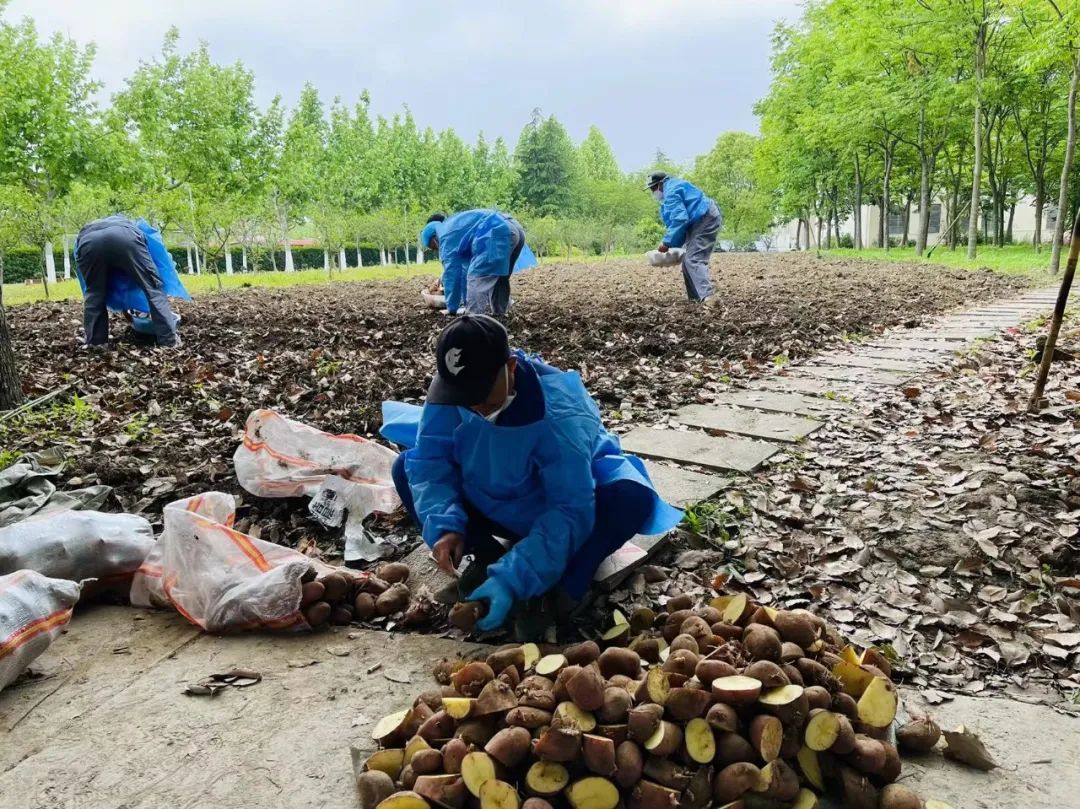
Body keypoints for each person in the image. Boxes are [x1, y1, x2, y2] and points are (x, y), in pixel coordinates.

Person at [381, 315, 684, 636]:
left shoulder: (558, 416)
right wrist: (446, 527)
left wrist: (514, 577)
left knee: (631, 498)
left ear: (510, 367)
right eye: (463, 398)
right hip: (492, 500)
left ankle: (564, 588)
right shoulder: (452, 391)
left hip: (559, 506)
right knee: (405, 468)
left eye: (482, 395)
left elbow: (570, 509)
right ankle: (487, 560)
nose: (474, 407)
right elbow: (430, 462)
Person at [74, 215, 186, 348]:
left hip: (88, 241)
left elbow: (110, 286)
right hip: (125, 236)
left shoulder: (94, 230)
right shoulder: (139, 229)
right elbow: (159, 263)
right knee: (153, 288)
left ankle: (96, 343)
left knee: (94, 293)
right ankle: (169, 341)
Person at [420, 209, 534, 316]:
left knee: (476, 278)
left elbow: (452, 277)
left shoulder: (445, 237)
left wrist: (452, 308)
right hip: (512, 228)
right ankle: (501, 314)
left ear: (434, 238)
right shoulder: (453, 226)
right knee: (499, 276)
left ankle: (473, 319)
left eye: (433, 247)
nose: (436, 250)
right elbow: (463, 272)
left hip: (495, 232)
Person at [646, 171, 723, 303]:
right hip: (701, 219)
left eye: (653, 188)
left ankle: (708, 297)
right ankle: (695, 299)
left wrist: (666, 242)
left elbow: (680, 219)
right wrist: (672, 245)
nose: (653, 192)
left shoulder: (671, 192)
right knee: (687, 262)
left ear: (661, 184)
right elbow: (679, 224)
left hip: (705, 218)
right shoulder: (672, 189)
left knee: (693, 259)